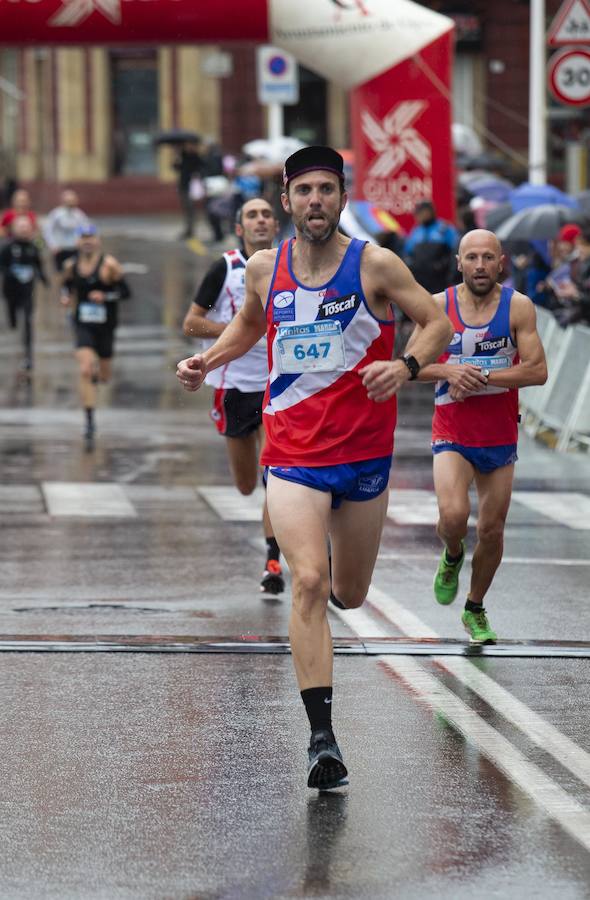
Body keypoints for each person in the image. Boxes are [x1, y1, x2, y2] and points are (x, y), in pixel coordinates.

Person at [176, 146, 452, 790]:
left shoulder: (375, 265)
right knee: (306, 581)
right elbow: (248, 327)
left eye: (327, 190)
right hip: (294, 453)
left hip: (361, 453)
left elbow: (436, 322)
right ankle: (321, 740)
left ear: (342, 198)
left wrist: (405, 366)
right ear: (287, 200)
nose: (316, 202)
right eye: (305, 192)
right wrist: (207, 362)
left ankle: (327, 605)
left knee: (347, 593)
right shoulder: (264, 269)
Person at [406, 229, 547, 644]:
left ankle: (475, 607)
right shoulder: (438, 307)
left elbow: (537, 370)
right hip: (452, 430)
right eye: (472, 258)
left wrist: (483, 375)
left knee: (491, 530)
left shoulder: (518, 307)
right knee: (453, 518)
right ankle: (452, 554)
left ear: (501, 262)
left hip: (500, 434)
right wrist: (449, 370)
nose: (480, 265)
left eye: (488, 257)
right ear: (459, 263)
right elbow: (410, 364)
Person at [182, 197, 285, 595]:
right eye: (251, 216)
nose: (260, 221)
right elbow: (191, 322)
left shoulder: (291, 265)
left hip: (279, 384)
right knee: (246, 484)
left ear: (276, 225)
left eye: (266, 215)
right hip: (234, 385)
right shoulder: (224, 268)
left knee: (274, 475)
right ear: (240, 229)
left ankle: (273, 558)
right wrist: (241, 328)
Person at [61, 223, 131, 447]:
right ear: (77, 242)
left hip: (105, 326)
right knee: (85, 367)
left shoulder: (109, 266)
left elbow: (126, 292)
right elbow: (66, 286)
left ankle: (97, 374)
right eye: (83, 238)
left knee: (104, 376)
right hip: (82, 324)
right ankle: (89, 420)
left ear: (98, 240)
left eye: (91, 237)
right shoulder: (71, 266)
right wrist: (65, 297)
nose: (87, 241)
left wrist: (106, 295)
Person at [0, 214, 48, 371]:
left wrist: (43, 278)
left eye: (26, 227)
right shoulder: (7, 247)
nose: (24, 230)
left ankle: (28, 356)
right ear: (14, 229)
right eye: (20, 227)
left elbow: (38, 264)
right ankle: (12, 318)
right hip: (11, 289)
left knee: (27, 319)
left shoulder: (33, 246)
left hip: (28, 290)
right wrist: (11, 274)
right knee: (13, 314)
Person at [405, 200, 458, 294]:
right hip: (421, 282)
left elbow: (455, 251)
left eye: (422, 212)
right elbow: (408, 253)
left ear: (431, 211)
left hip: (441, 281)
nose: (420, 216)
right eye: (418, 213)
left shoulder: (444, 228)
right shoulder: (416, 231)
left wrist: (442, 266)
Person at [43, 189, 90, 271]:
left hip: (74, 248)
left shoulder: (79, 214)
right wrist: (52, 245)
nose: (70, 203)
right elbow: (48, 230)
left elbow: (86, 229)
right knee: (60, 271)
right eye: (68, 200)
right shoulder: (56, 214)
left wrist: (82, 243)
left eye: (72, 200)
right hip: (60, 249)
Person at [173, 141, 204, 240]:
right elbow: (176, 168)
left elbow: (201, 168)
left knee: (190, 209)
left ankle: (190, 230)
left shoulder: (195, 156)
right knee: (186, 209)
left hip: (192, 187)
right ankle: (188, 230)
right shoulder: (182, 156)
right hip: (183, 185)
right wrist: (176, 159)